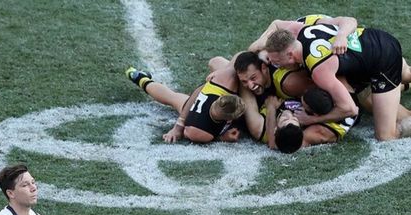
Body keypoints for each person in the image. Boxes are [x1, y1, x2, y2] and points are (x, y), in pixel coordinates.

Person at [264, 24, 411, 140]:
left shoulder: (319, 70)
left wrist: (311, 120)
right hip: (372, 38)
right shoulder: (302, 30)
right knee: (403, 75)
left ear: (290, 55)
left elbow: (350, 109)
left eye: (277, 62)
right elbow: (348, 20)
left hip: (383, 61)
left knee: (385, 136)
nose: (277, 65)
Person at [126, 66, 245, 144]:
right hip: (195, 115)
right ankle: (141, 78)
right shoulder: (200, 131)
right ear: (229, 119)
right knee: (172, 98)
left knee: (172, 97)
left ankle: (140, 78)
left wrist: (221, 70)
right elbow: (189, 133)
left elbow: (200, 89)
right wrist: (222, 138)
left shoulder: (219, 89)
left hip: (195, 105)